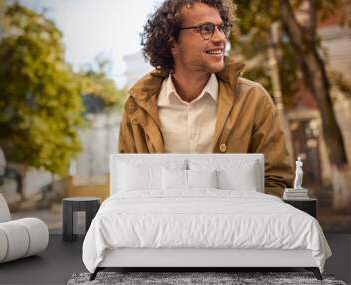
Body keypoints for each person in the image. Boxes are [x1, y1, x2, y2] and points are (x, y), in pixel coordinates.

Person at [118, 0, 294, 197]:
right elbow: (128, 188)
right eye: (206, 29)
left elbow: (276, 181)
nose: (220, 38)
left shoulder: (254, 100)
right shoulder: (137, 108)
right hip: (165, 226)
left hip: (236, 226)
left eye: (221, 28)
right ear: (172, 42)